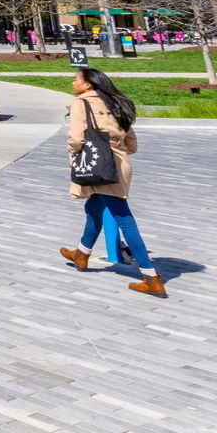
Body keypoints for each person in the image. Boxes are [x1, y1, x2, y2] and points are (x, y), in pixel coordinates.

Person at [59, 65, 163, 296]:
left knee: (124, 218)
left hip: (98, 164)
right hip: (118, 163)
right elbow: (132, 144)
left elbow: (76, 138)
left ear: (88, 84)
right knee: (94, 206)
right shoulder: (117, 102)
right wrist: (115, 148)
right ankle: (81, 253)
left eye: (76, 79)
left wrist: (76, 155)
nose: (73, 83)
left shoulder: (81, 103)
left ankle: (151, 277)